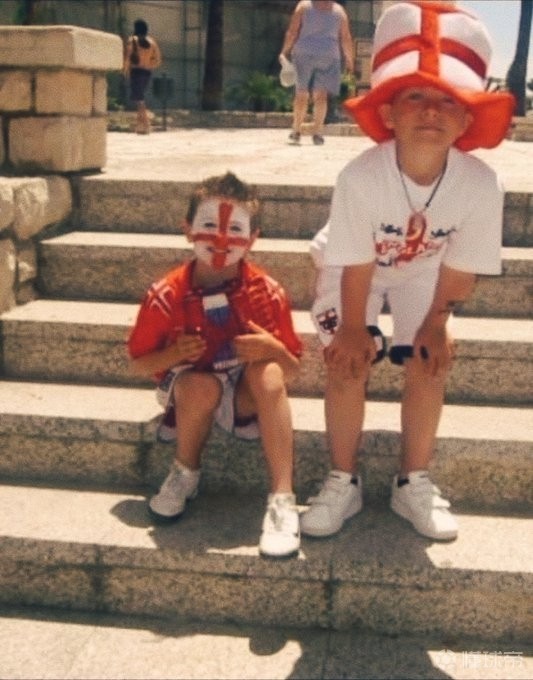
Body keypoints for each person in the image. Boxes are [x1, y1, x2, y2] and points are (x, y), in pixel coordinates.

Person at [300, 1, 514, 541]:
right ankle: (343, 479)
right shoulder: (360, 176)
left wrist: (437, 325)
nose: (431, 112)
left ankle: (412, 480)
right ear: (388, 112)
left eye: (448, 100)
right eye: (414, 96)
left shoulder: (481, 185)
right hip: (353, 268)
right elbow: (356, 262)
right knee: (347, 361)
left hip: (425, 270)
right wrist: (354, 328)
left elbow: (460, 268)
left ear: (468, 119)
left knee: (429, 361)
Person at [127, 172, 303, 559]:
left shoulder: (268, 293)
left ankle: (282, 498)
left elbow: (291, 372)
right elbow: (138, 365)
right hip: (194, 390)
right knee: (198, 386)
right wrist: (173, 354)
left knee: (269, 372)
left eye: (235, 229)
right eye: (209, 225)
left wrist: (273, 348)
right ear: (187, 230)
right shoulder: (166, 294)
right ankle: (185, 472)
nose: (222, 239)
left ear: (253, 239)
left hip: (244, 398)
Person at [279, 0, 354, 145]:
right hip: (329, 55)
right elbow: (345, 37)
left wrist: (284, 51)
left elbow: (293, 32)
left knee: (301, 93)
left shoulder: (303, 6)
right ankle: (318, 133)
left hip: (303, 53)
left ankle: (296, 130)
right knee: (321, 96)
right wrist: (349, 59)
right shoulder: (339, 11)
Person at [123, 19, 162, 134]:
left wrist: (125, 70)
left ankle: (146, 124)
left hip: (136, 72)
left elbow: (128, 57)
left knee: (139, 99)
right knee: (139, 98)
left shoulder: (132, 40)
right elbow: (158, 60)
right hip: (147, 72)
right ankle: (140, 126)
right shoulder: (152, 42)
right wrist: (150, 65)